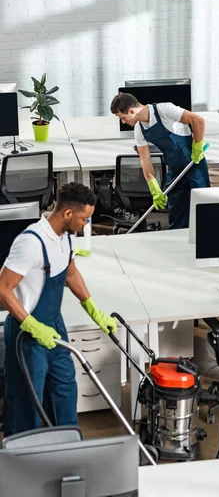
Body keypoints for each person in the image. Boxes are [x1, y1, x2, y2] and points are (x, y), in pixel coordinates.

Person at [0, 182, 117, 437]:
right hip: (27, 334)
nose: (86, 225)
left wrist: (95, 311)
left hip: (54, 326)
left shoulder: (66, 237)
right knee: (27, 402)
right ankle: (22, 462)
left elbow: (71, 274)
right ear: (67, 214)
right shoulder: (31, 242)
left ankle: (67, 449)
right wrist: (31, 325)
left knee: (65, 390)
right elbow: (2, 288)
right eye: (84, 219)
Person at [110, 92, 210, 229]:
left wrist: (198, 146)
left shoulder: (165, 110)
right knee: (176, 213)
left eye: (122, 117)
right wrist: (153, 187)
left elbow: (198, 120)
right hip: (174, 169)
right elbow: (145, 160)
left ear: (131, 111)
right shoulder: (139, 129)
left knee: (202, 208)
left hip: (194, 164)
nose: (123, 122)